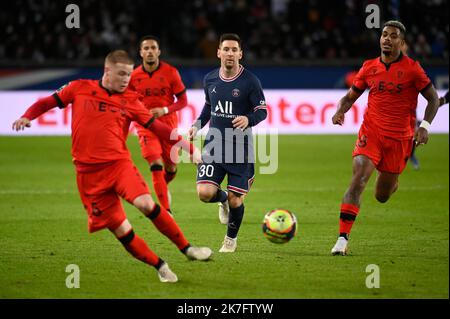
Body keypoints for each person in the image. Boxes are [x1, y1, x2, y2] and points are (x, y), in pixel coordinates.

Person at [12, 50, 212, 283]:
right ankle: (160, 266)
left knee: (146, 204)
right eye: (121, 74)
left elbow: (160, 129)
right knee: (122, 231)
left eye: (128, 74)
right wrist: (27, 116)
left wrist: (190, 149)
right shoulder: (79, 88)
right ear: (107, 71)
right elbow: (47, 102)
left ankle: (187, 249)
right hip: (88, 176)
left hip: (119, 166)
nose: (127, 79)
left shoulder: (130, 100)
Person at [330, 21, 440, 255]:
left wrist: (426, 127)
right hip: (371, 133)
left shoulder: (413, 69)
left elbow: (432, 98)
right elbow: (349, 97)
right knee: (358, 179)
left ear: (402, 42)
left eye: (393, 36)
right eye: (384, 35)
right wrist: (340, 111)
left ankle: (392, 181)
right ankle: (342, 239)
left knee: (382, 196)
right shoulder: (369, 67)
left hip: (400, 139)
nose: (387, 39)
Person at [188, 33, 267, 253]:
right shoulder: (210, 79)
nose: (230, 53)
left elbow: (262, 112)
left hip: (239, 150)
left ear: (240, 54)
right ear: (218, 52)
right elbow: (208, 107)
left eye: (234, 50)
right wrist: (197, 125)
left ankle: (230, 240)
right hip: (213, 147)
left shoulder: (250, 81)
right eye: (226, 49)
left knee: (236, 200)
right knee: (205, 194)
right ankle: (220, 199)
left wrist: (248, 119)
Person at [129, 35, 188, 214]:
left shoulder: (171, 72)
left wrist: (164, 110)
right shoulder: (134, 76)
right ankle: (166, 211)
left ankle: (163, 186)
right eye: (146, 48)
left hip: (168, 125)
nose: (149, 51)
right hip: (145, 127)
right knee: (155, 163)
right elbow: (128, 102)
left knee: (171, 166)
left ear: (159, 51)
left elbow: (183, 101)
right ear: (141, 53)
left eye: (153, 48)